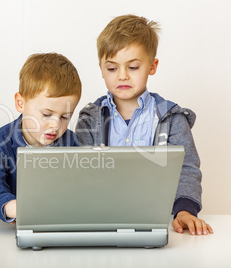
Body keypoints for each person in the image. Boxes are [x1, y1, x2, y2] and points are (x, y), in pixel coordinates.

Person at [75, 15, 213, 235]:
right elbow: (79, 173)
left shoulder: (172, 118)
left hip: (157, 222)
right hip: (101, 222)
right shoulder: (89, 119)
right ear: (101, 68)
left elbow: (186, 169)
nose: (122, 76)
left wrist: (184, 211)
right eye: (112, 69)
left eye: (133, 67)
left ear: (152, 66)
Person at [0, 53, 82, 222]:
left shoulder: (72, 143)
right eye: (47, 114)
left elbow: (80, 188)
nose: (55, 125)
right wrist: (16, 208)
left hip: (54, 225)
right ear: (20, 103)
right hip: (4, 230)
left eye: (65, 117)